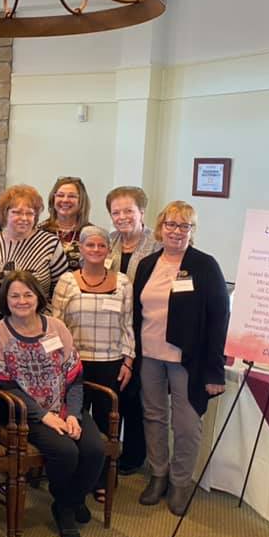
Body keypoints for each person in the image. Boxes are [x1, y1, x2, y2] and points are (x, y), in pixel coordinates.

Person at [0, 271, 104, 537]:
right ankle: (66, 509)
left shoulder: (57, 328)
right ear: (5, 300)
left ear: (38, 297)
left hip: (64, 406)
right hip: (27, 414)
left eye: (28, 294)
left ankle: (69, 500)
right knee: (66, 451)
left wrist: (73, 413)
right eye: (15, 295)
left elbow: (74, 377)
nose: (22, 300)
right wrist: (44, 416)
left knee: (94, 450)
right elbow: (5, 387)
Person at [132, 201, 229, 516]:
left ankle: (180, 481)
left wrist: (214, 371)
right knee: (154, 417)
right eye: (171, 225)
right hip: (149, 356)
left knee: (187, 424)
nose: (176, 231)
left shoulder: (205, 265)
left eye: (184, 226)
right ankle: (158, 474)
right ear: (160, 228)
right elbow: (137, 311)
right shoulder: (147, 264)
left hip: (188, 359)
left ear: (193, 231)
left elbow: (219, 319)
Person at [51, 225, 134, 503]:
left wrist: (129, 360)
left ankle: (101, 479)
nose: (96, 250)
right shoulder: (66, 281)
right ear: (81, 250)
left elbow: (128, 324)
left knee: (105, 422)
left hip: (110, 363)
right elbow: (56, 323)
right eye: (90, 246)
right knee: (74, 418)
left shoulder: (122, 282)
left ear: (108, 250)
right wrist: (59, 361)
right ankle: (76, 474)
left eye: (101, 246)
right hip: (75, 363)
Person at [105, 186, 160, 474]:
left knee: (135, 393)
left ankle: (134, 455)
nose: (122, 217)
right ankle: (110, 449)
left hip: (145, 327)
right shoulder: (108, 241)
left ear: (142, 212)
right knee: (114, 390)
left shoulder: (157, 244)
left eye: (129, 210)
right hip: (111, 328)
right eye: (116, 212)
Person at [0, 185, 68, 332]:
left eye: (30, 213)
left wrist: (53, 324)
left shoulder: (50, 244)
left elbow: (61, 289)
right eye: (16, 212)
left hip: (37, 327)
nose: (24, 218)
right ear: (5, 214)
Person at [40, 177, 92, 272]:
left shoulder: (92, 234)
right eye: (60, 195)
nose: (65, 200)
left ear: (81, 201)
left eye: (72, 196)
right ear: (53, 198)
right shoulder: (39, 231)